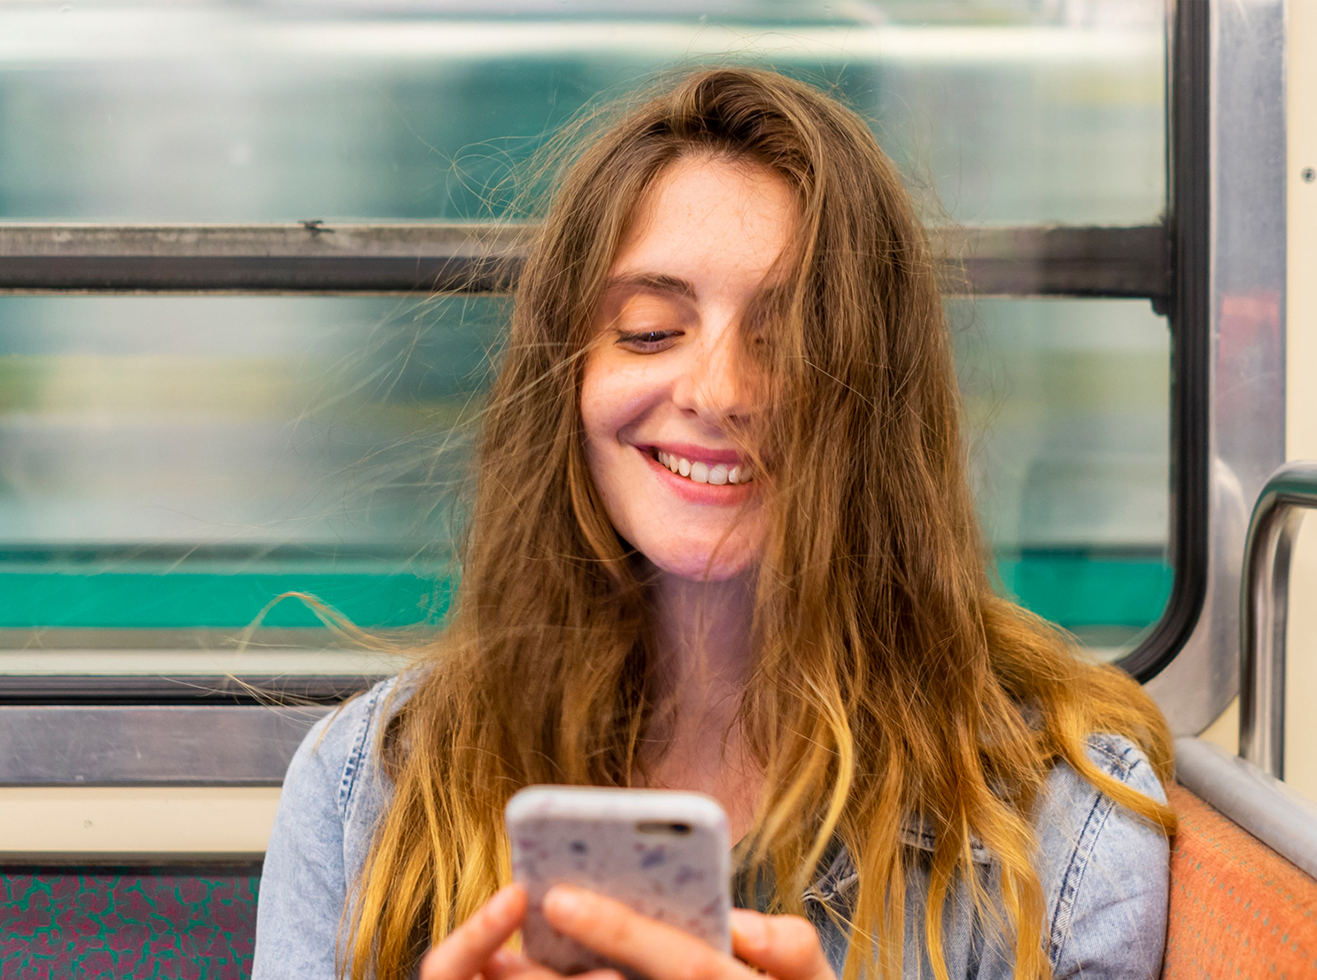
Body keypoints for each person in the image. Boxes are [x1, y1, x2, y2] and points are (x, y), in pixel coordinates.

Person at [254, 67, 1176, 980]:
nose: (720, 392)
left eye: (791, 343)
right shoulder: (368, 784)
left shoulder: (1064, 821)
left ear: (878, 409)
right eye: (651, 330)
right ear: (565, 378)